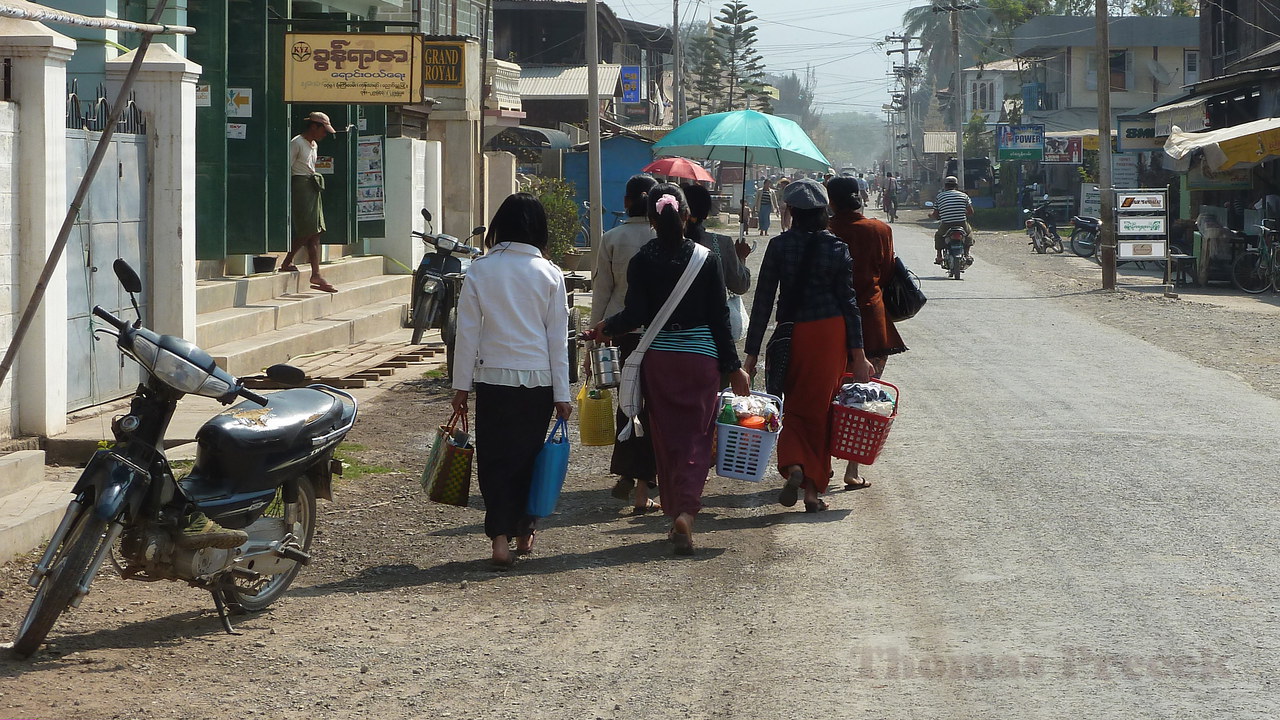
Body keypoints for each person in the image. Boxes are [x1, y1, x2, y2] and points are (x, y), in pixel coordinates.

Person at [594, 183, 751, 555]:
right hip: (701, 361)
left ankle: (674, 509)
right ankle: (686, 511)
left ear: (651, 219)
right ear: (685, 215)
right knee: (696, 437)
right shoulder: (706, 257)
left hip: (659, 361)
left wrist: (606, 327)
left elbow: (637, 315)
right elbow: (718, 318)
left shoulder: (643, 260)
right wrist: (733, 368)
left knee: (665, 440)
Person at [451, 193, 573, 568]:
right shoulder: (550, 274)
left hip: (492, 378)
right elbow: (558, 340)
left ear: (498, 226)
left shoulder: (480, 270)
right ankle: (525, 530)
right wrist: (563, 393)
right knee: (528, 458)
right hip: (538, 381)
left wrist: (460, 386)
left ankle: (499, 539)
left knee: (495, 459)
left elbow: (466, 333)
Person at [744, 179, 875, 513]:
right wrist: (859, 355)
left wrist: (751, 355)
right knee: (823, 410)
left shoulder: (778, 246)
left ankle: (794, 466)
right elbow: (850, 304)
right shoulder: (837, 248)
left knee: (795, 407)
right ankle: (814, 490)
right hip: (831, 336)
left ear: (791, 211)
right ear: (822, 212)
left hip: (792, 334)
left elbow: (762, 302)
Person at [825, 177, 908, 489]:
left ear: (830, 201)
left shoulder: (825, 231)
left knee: (829, 391)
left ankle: (822, 464)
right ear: (859, 197)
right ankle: (851, 468)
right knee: (864, 395)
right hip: (871, 320)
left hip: (829, 321)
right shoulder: (880, 230)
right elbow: (887, 272)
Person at [590, 174, 660, 512]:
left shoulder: (611, 238)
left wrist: (594, 337)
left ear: (626, 201)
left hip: (620, 333)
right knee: (655, 407)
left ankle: (630, 472)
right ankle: (645, 476)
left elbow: (601, 291)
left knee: (628, 403)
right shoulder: (664, 236)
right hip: (660, 335)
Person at [282, 111, 338, 293]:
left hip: (312, 186)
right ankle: (288, 260)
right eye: (323, 130)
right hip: (300, 186)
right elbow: (287, 167)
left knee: (316, 230)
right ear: (314, 126)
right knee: (309, 228)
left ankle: (315, 273)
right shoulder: (296, 143)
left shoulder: (313, 145)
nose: (324, 135)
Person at [682, 183, 753, 298]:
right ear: (706, 214)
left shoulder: (660, 244)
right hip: (711, 314)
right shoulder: (722, 243)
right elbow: (740, 285)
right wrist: (740, 257)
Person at [931, 175, 974, 266]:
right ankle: (967, 254)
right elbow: (971, 211)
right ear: (956, 186)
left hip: (946, 223)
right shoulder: (964, 196)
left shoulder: (940, 196)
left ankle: (939, 256)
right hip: (961, 223)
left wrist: (934, 216)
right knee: (969, 233)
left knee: (938, 236)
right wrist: (962, 213)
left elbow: (935, 214)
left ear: (945, 185)